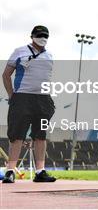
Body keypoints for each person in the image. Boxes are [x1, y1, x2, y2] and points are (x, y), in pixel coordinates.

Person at [1, 25, 57, 183]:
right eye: (39, 35)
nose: (43, 37)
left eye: (45, 35)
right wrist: (12, 95)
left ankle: (40, 172)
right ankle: (10, 171)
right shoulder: (20, 51)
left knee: (40, 136)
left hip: (43, 99)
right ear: (32, 36)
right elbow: (6, 75)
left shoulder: (50, 55)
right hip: (22, 97)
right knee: (17, 136)